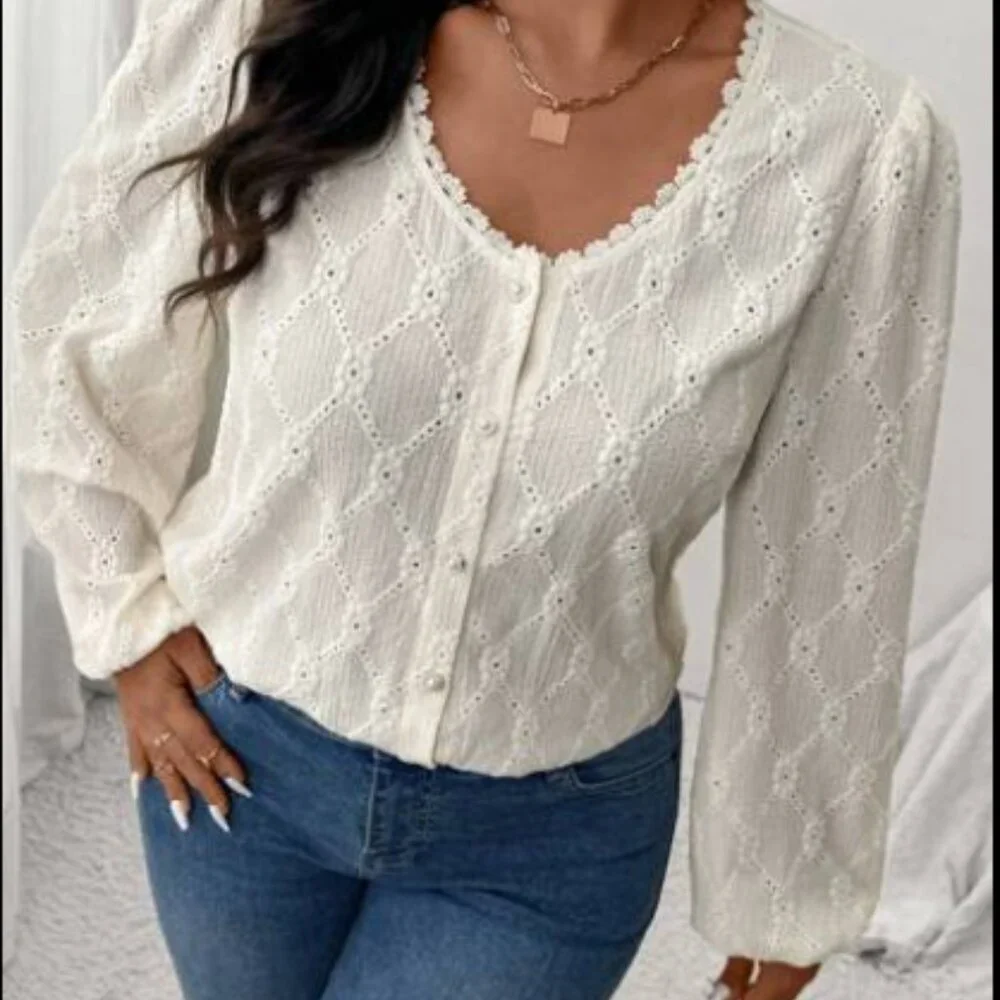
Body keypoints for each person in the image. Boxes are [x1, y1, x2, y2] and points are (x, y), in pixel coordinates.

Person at [6, 0, 962, 997]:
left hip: (548, 837)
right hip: (240, 770)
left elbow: (830, 557)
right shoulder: (267, 17)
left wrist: (789, 880)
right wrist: (127, 623)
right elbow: (80, 320)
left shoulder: (854, 147)